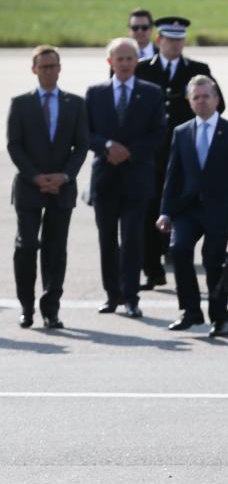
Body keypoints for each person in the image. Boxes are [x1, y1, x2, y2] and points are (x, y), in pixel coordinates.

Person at [156, 75, 228, 338]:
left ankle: (220, 319)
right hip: (187, 208)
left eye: (205, 96)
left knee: (212, 260)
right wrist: (165, 211)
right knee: (179, 250)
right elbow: (172, 175)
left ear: (216, 100)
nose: (201, 101)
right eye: (195, 97)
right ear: (189, 102)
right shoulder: (182, 131)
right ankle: (190, 311)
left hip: (219, 210)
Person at [136, 16, 226, 291]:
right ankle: (152, 269)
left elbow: (219, 106)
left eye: (179, 40)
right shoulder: (142, 69)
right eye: (169, 39)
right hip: (151, 154)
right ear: (158, 40)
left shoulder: (198, 70)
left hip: (186, 154)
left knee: (181, 205)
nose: (174, 45)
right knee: (150, 209)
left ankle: (174, 255)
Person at [7, 45, 89, 329]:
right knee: (27, 245)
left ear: (60, 68)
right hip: (30, 188)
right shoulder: (21, 104)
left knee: (55, 249)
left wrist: (63, 177)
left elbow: (81, 146)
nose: (49, 71)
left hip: (62, 188)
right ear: (34, 70)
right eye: (44, 67)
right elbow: (14, 146)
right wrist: (36, 177)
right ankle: (26, 306)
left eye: (54, 66)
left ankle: (50, 308)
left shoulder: (75, 103)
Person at [85, 37, 166, 319]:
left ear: (137, 62)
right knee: (107, 240)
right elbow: (85, 133)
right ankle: (112, 295)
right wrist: (108, 147)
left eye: (129, 59)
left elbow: (159, 134)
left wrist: (129, 151)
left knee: (133, 240)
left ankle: (131, 297)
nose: (124, 64)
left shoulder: (152, 93)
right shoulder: (95, 93)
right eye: (119, 59)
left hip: (136, 178)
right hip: (105, 179)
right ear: (110, 62)